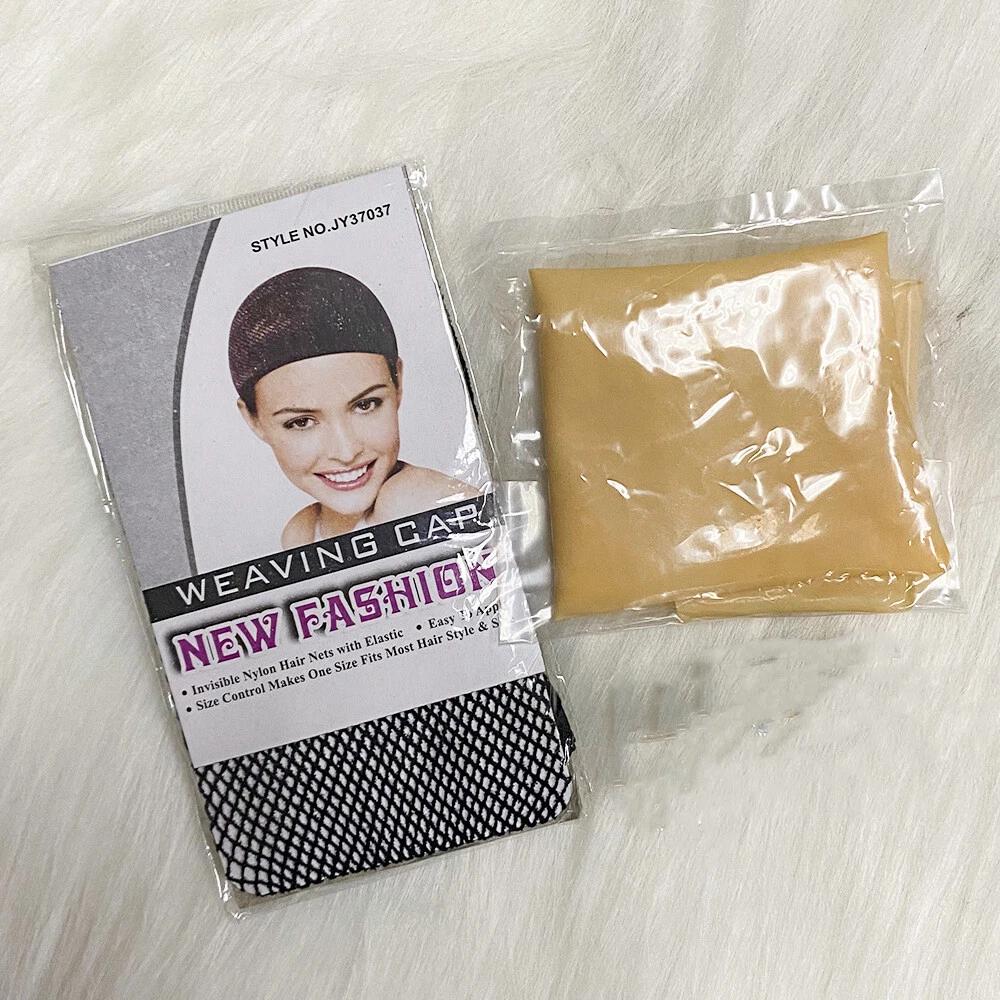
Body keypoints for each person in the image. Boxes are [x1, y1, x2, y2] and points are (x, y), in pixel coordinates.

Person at [229, 266, 479, 547]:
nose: (346, 453)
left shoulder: (412, 501)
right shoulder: (301, 531)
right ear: (253, 419)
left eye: (365, 405)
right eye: (301, 422)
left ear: (397, 382)